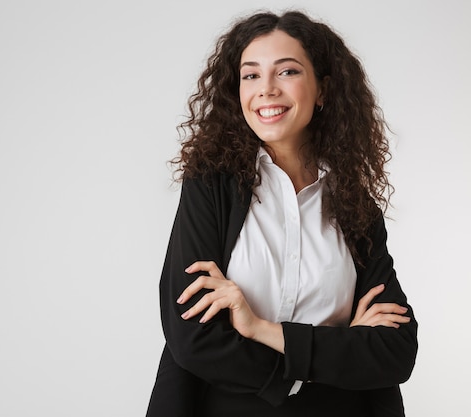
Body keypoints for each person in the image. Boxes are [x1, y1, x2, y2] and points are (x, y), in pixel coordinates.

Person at [146, 10, 418, 417]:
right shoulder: (211, 187)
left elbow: (395, 352)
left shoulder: (353, 205)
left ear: (323, 90)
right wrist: (334, 353)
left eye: (287, 72)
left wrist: (261, 330)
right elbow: (192, 338)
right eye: (251, 75)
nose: (266, 90)